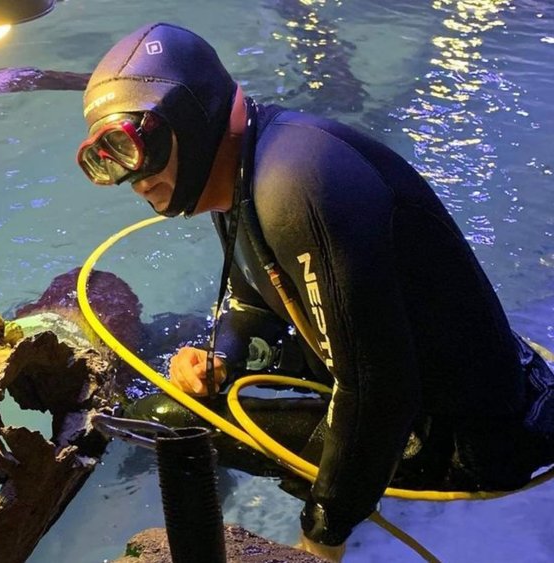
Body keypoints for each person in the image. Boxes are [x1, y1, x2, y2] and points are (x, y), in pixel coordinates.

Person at [75, 22, 554, 561]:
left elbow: (379, 394)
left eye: (135, 147)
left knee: (168, 420)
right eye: (107, 160)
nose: (134, 180)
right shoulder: (244, 160)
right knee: (181, 384)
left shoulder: (296, 185)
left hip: (464, 439)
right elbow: (255, 303)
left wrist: (321, 530)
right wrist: (221, 357)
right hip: (423, 373)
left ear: (190, 119)